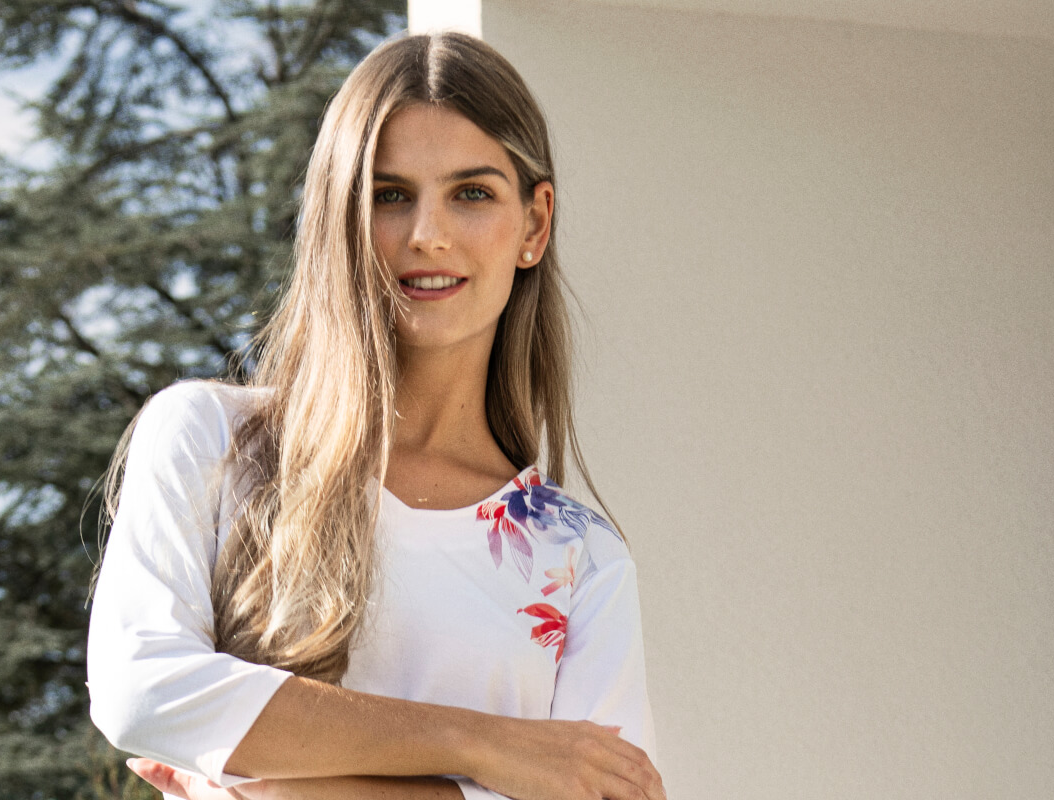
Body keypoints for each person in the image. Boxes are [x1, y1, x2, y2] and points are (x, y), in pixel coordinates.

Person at [86, 30, 664, 800]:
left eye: (472, 193)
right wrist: (483, 746)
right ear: (340, 219)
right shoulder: (212, 440)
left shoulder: (579, 560)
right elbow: (141, 686)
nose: (428, 233)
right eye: (389, 195)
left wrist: (281, 791)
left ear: (534, 225)